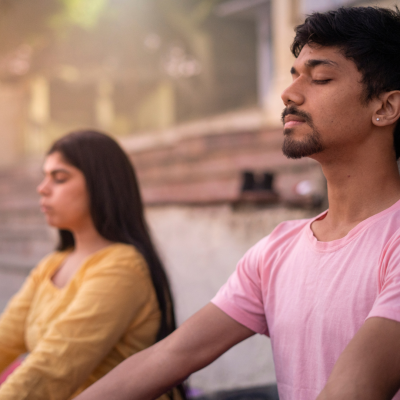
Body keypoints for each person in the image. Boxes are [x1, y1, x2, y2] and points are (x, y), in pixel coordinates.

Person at [74, 6, 400, 400]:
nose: (289, 93)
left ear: (385, 108)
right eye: (295, 75)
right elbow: (169, 356)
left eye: (321, 78)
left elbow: (355, 388)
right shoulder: (276, 251)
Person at [0, 130, 184, 400]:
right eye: (45, 176)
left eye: (59, 178)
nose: (42, 188)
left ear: (101, 185)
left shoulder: (123, 267)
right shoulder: (52, 265)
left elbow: (52, 367)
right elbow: (5, 338)